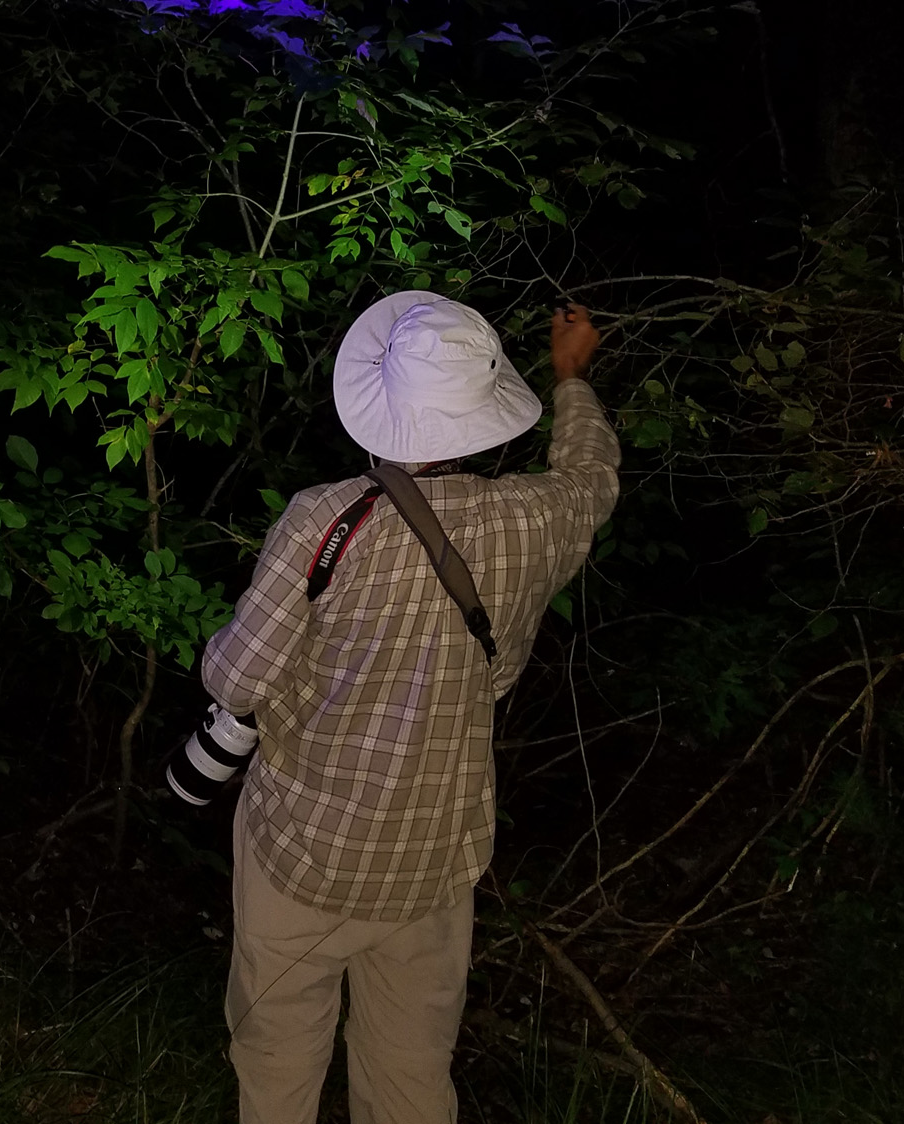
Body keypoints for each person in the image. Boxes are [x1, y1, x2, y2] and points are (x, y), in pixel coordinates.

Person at [202, 294, 619, 1124]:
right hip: (436, 859)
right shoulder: (537, 519)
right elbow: (593, 476)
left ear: (381, 408)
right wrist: (572, 377)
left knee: (278, 1059)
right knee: (411, 1080)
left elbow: (238, 681)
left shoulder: (328, 520)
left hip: (306, 854)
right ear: (486, 412)